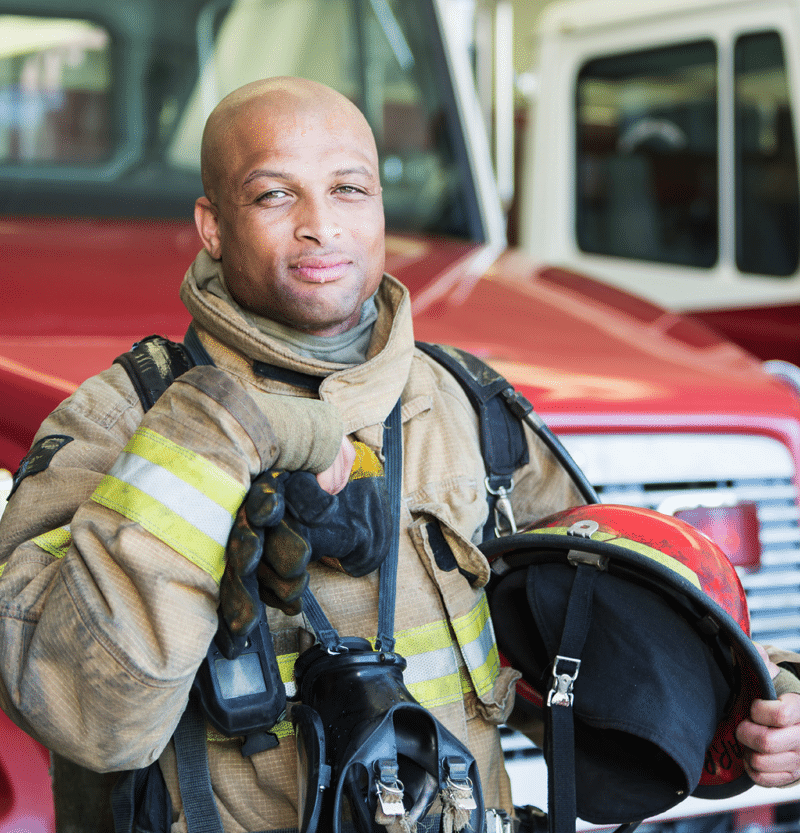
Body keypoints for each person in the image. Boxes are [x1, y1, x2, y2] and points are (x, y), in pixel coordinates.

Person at [0, 76, 799, 833]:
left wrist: (759, 702)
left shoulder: (464, 405)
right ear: (212, 224)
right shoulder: (120, 424)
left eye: (350, 188)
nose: (321, 224)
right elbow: (91, 719)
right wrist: (215, 438)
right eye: (276, 193)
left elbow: (603, 636)